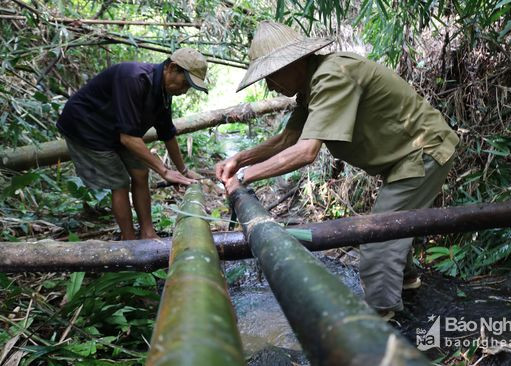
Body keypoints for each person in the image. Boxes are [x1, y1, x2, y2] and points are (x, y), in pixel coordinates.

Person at [216, 21, 459, 319]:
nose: (269, 86)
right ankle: (408, 286)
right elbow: (287, 138)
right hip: (405, 158)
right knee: (395, 225)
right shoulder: (312, 86)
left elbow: (306, 151)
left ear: (295, 62)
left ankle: (380, 324)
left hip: (423, 153)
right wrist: (239, 160)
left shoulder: (332, 76)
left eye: (272, 75)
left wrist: (243, 178)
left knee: (377, 245)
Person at [57, 48, 208, 240]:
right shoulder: (133, 78)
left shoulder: (163, 93)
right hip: (87, 127)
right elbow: (127, 138)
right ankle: (128, 240)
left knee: (141, 172)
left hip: (117, 130)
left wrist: (183, 171)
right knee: (120, 182)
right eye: (185, 83)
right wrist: (165, 171)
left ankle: (148, 232)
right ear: (172, 68)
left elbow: (167, 133)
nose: (184, 90)